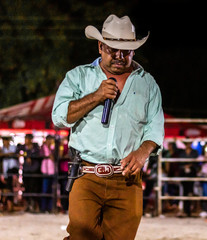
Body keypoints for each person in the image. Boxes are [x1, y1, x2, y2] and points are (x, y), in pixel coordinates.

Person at [52, 14, 164, 240]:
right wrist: (96, 96)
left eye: (127, 51)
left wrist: (143, 152)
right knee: (82, 235)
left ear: (134, 51)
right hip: (86, 174)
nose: (120, 56)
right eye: (113, 50)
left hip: (127, 179)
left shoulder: (148, 83)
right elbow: (59, 117)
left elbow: (155, 126)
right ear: (100, 46)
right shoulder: (78, 77)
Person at [17, 133, 41, 213]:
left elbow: (38, 154)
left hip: (34, 170)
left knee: (34, 188)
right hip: (26, 170)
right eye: (25, 139)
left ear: (31, 139)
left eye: (27, 139)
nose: (26, 140)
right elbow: (17, 151)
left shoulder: (35, 147)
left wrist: (30, 156)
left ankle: (33, 205)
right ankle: (27, 205)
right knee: (26, 187)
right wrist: (25, 155)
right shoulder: (23, 147)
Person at [40, 135, 55, 212]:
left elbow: (55, 156)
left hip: (52, 170)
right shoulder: (43, 147)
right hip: (45, 171)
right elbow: (40, 155)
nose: (50, 141)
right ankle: (43, 208)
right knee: (45, 190)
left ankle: (50, 208)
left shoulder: (53, 148)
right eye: (49, 140)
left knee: (51, 190)